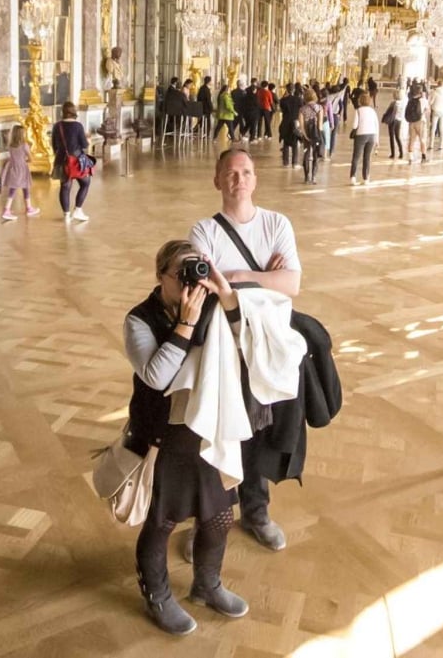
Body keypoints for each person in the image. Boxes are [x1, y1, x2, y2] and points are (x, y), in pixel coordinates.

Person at [124, 240, 249, 636]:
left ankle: (207, 585)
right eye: (181, 272)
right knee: (162, 523)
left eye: (196, 269)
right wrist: (185, 326)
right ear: (161, 275)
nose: (190, 280)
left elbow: (247, 339)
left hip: (205, 433)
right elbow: (157, 377)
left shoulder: (211, 303)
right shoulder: (138, 320)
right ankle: (158, 597)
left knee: (219, 519)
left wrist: (223, 292)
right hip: (163, 439)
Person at [188, 149, 301, 551]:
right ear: (217, 180)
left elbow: (292, 285)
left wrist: (236, 276)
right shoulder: (204, 231)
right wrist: (265, 278)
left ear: (256, 180)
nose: (239, 179)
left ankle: (257, 511)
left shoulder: (276, 224)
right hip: (221, 346)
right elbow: (205, 289)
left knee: (258, 430)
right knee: (220, 427)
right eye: (231, 173)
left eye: (246, 172)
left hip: (266, 346)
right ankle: (211, 520)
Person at [52, 101, 91, 223]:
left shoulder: (57, 126)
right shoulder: (78, 126)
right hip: (77, 161)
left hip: (61, 159)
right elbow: (84, 145)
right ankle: (78, 210)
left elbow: (54, 145)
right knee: (85, 183)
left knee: (65, 187)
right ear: (74, 112)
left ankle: (66, 215)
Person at [0, 124, 38, 220]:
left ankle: (25, 207)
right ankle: (10, 209)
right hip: (22, 169)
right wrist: (25, 160)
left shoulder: (10, 146)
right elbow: (31, 159)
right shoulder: (25, 145)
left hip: (13, 168)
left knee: (13, 189)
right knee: (25, 188)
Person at [350, 92, 379, 186]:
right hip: (372, 135)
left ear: (360, 101)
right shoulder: (373, 111)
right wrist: (377, 140)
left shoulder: (358, 110)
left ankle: (353, 177)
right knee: (367, 157)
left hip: (361, 135)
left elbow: (355, 125)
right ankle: (366, 178)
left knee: (356, 157)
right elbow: (376, 125)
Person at [297, 88, 326, 184]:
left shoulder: (302, 109)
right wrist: (320, 136)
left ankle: (306, 177)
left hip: (307, 134)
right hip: (316, 134)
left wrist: (305, 136)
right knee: (315, 155)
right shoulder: (319, 108)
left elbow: (301, 125)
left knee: (306, 154)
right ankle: (313, 177)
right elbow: (320, 125)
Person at [278, 83, 302, 168]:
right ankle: (294, 163)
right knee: (295, 142)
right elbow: (300, 111)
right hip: (295, 122)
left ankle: (285, 162)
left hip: (285, 121)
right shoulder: (299, 99)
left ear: (287, 89)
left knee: (286, 142)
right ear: (294, 89)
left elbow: (281, 110)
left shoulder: (283, 100)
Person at [405, 84, 430, 164]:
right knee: (422, 140)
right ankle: (423, 157)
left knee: (411, 140)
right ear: (421, 92)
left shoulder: (410, 100)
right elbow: (427, 111)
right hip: (421, 122)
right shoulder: (423, 100)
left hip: (411, 122)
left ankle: (410, 158)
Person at [382, 91, 405, 160]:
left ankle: (393, 153)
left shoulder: (393, 103)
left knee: (391, 137)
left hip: (392, 121)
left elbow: (388, 111)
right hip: (399, 120)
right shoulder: (402, 103)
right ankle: (401, 153)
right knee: (398, 137)